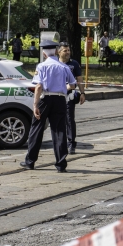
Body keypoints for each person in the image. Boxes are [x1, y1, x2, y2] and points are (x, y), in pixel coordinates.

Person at [20, 40, 77, 173]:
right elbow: (72, 85)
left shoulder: (41, 66)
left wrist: (35, 105)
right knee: (59, 131)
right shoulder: (64, 67)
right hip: (60, 100)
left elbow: (38, 86)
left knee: (37, 129)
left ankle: (30, 161)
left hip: (45, 99)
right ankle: (61, 164)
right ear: (56, 52)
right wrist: (62, 88)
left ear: (44, 53)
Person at [58, 42, 86, 155]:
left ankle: (71, 143)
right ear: (59, 52)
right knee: (58, 120)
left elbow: (79, 79)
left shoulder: (74, 64)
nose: (68, 52)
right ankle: (60, 142)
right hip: (57, 95)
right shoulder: (54, 63)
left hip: (69, 95)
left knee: (69, 119)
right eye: (65, 50)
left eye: (68, 50)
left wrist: (83, 93)